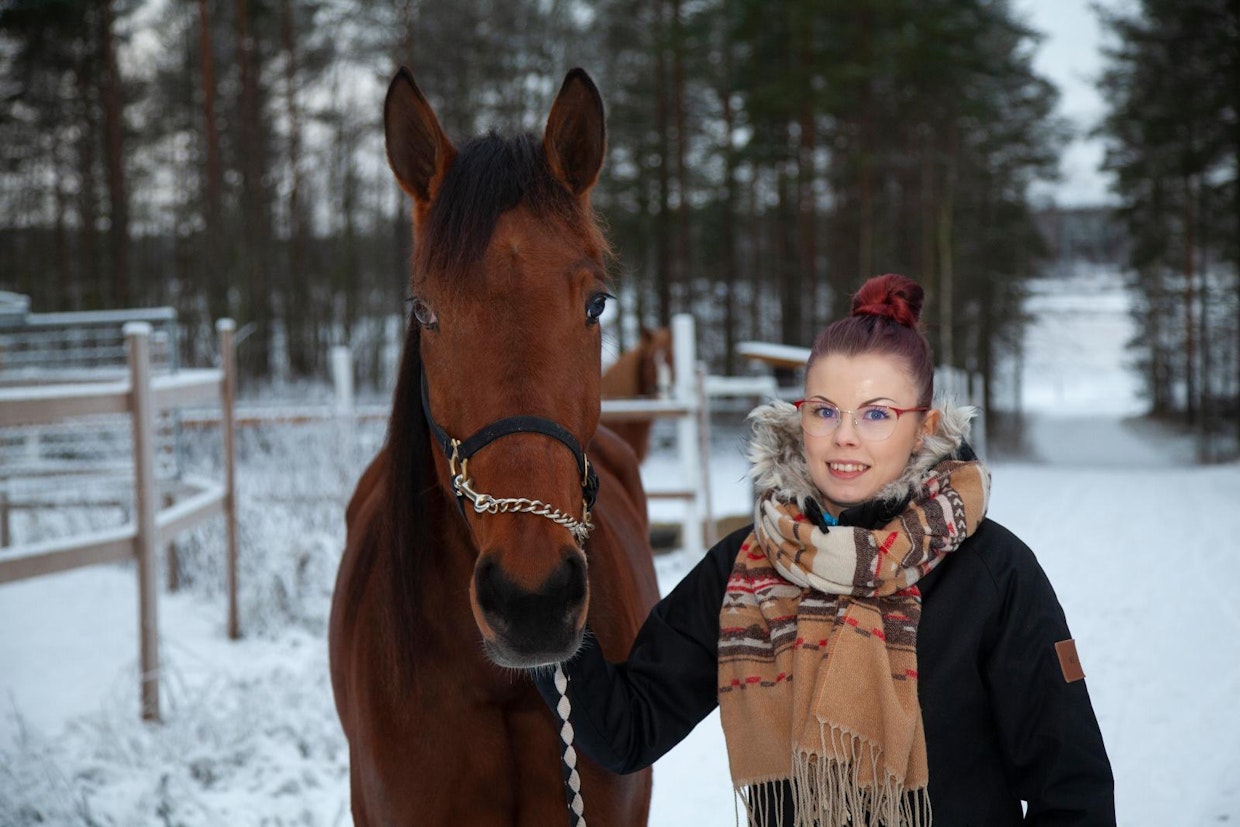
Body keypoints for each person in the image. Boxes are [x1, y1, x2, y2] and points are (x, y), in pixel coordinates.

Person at [532, 273, 1115, 826]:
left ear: (924, 426)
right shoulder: (745, 568)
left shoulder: (992, 572)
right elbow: (628, 730)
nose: (845, 437)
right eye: (825, 411)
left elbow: (1070, 787)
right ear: (800, 418)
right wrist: (538, 607)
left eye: (877, 414)